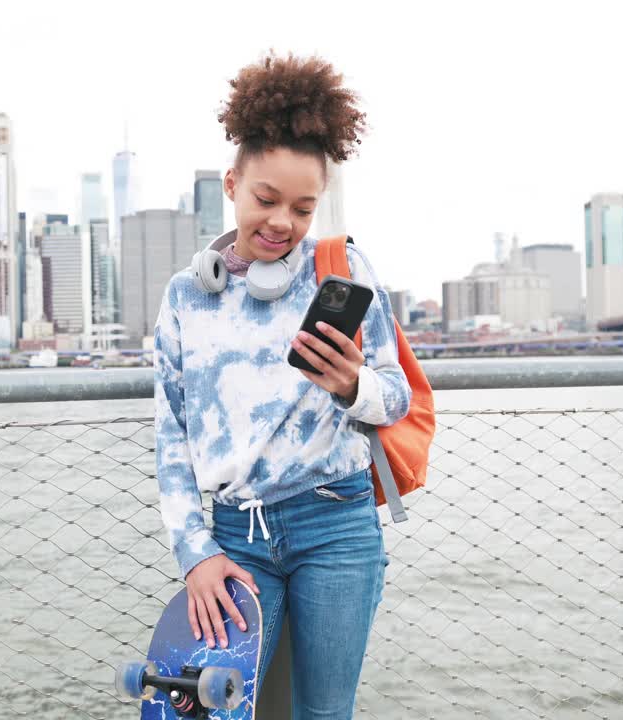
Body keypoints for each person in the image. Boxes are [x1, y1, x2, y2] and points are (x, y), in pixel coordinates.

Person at [152, 51, 412, 718]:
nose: (281, 223)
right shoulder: (186, 297)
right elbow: (171, 437)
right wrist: (195, 554)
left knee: (324, 715)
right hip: (236, 538)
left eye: (302, 207)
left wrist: (354, 386)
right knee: (215, 711)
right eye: (266, 199)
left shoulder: (342, 269)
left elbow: (398, 395)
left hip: (338, 524)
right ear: (232, 182)